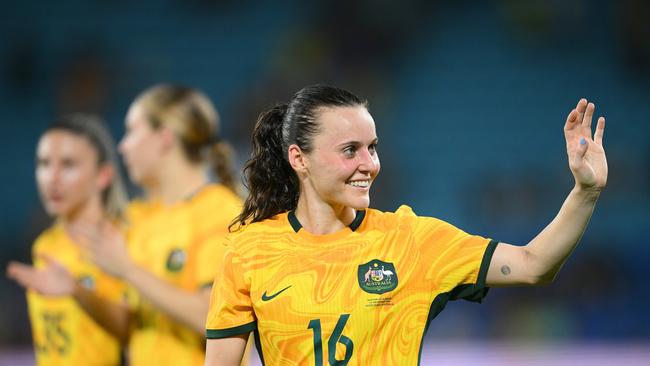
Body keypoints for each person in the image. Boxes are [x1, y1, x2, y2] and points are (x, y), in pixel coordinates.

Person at [204, 85, 607, 365]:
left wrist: (585, 193)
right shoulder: (249, 250)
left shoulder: (411, 240)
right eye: (350, 150)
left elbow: (533, 264)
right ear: (299, 158)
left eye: (372, 147)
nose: (370, 164)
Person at [68, 84, 245, 366]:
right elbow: (132, 327)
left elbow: (215, 319)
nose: (121, 145)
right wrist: (76, 291)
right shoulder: (139, 219)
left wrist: (127, 269)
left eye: (132, 131)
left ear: (164, 138)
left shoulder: (220, 212)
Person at [7, 114, 129, 366]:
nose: (52, 177)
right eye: (43, 163)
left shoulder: (124, 239)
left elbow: (133, 331)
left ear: (103, 176)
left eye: (68, 165)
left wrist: (77, 291)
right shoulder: (46, 245)